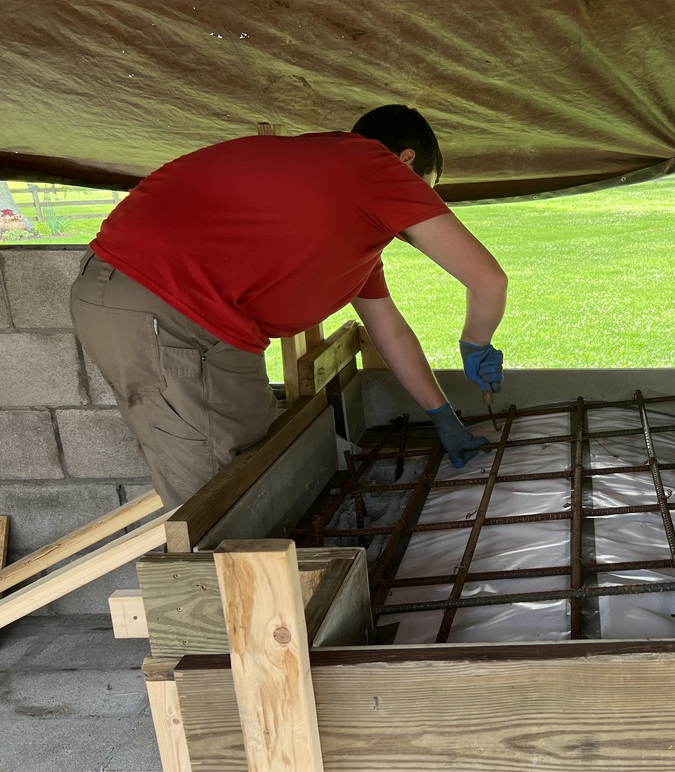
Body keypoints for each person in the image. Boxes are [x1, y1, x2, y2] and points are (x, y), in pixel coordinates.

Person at [70, 104, 507, 508]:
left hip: (157, 304)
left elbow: (389, 331)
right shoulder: (374, 166)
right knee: (222, 502)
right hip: (170, 308)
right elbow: (488, 280)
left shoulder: (341, 211)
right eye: (428, 192)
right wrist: (476, 341)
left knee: (247, 465)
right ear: (407, 161)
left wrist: (442, 416)